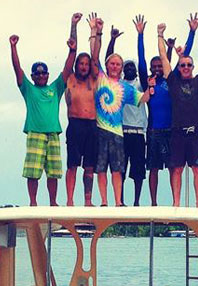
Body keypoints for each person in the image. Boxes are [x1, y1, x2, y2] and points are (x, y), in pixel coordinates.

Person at [9, 26, 76, 207]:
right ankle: (33, 202)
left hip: (53, 133)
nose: (40, 76)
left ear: (48, 74)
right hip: (35, 133)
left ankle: (53, 202)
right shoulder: (28, 89)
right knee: (33, 171)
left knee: (53, 172)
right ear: (33, 76)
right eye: (37, 73)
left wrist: (72, 50)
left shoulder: (55, 88)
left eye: (43, 73)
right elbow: (17, 69)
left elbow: (67, 69)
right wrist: (13, 47)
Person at [158, 20, 198, 207]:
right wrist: (160, 35)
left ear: (193, 67)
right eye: (183, 65)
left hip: (195, 133)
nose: (186, 67)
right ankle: (176, 203)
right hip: (177, 132)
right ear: (179, 67)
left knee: (197, 169)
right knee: (176, 169)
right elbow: (163, 57)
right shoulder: (173, 82)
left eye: (189, 65)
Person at [89, 15, 151, 207]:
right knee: (101, 168)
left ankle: (118, 201)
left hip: (118, 133)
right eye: (112, 63)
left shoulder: (126, 88)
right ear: (107, 66)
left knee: (117, 169)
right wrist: (96, 32)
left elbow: (143, 99)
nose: (115, 66)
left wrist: (152, 85)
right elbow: (94, 56)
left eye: (118, 64)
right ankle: (105, 201)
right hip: (100, 130)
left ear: (121, 68)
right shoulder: (101, 78)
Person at [135, 14, 197, 206]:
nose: (156, 68)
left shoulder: (172, 80)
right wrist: (141, 35)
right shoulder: (148, 82)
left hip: (172, 130)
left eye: (159, 65)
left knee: (173, 167)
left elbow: (184, 57)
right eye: (153, 66)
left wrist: (192, 32)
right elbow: (141, 59)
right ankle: (153, 203)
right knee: (153, 169)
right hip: (154, 131)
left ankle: (174, 202)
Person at [106, 26, 147, 206]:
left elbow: (144, 64)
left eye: (132, 66)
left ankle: (137, 202)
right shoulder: (118, 84)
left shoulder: (140, 85)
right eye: (126, 66)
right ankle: (119, 200)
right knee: (120, 169)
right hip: (122, 132)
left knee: (138, 171)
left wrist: (140, 36)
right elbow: (107, 62)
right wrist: (112, 40)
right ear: (123, 70)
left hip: (138, 133)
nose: (129, 69)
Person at [64, 13, 97, 207]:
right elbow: (71, 51)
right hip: (75, 124)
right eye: (81, 64)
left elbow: (95, 57)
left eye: (86, 64)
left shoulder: (93, 80)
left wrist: (94, 31)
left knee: (90, 166)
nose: (84, 66)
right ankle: (69, 200)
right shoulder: (70, 79)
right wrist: (73, 25)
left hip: (91, 125)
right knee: (73, 165)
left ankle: (88, 200)